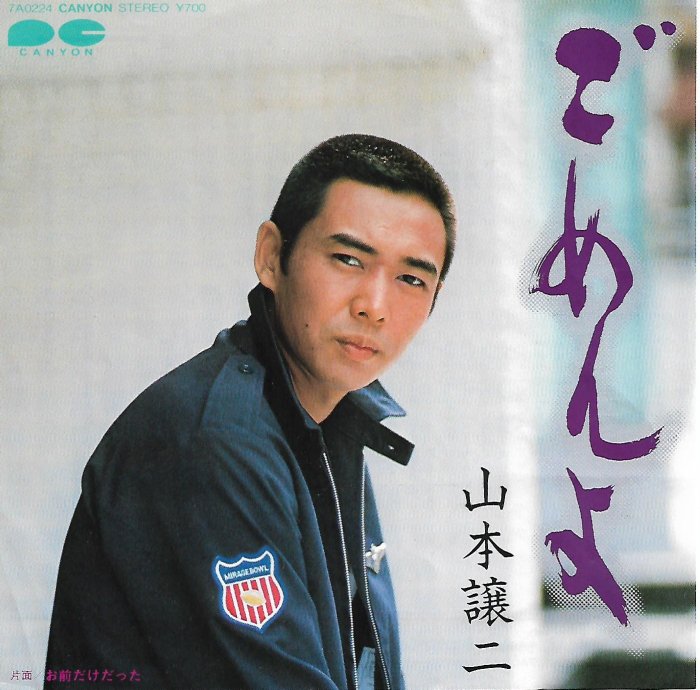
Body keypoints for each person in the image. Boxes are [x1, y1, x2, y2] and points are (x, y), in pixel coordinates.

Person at [45, 133, 456, 690]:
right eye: (348, 259)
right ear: (271, 256)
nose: (374, 306)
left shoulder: (327, 419)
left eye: (411, 278)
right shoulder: (217, 441)